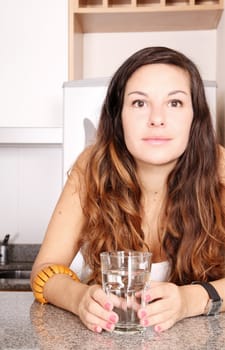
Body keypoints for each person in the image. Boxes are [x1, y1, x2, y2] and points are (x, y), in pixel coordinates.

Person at [31, 46, 225, 334]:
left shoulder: (220, 170)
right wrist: (79, 298)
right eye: (139, 103)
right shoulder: (92, 168)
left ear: (194, 118)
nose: (157, 119)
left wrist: (190, 300)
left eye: (174, 103)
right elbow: (44, 268)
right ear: (118, 117)